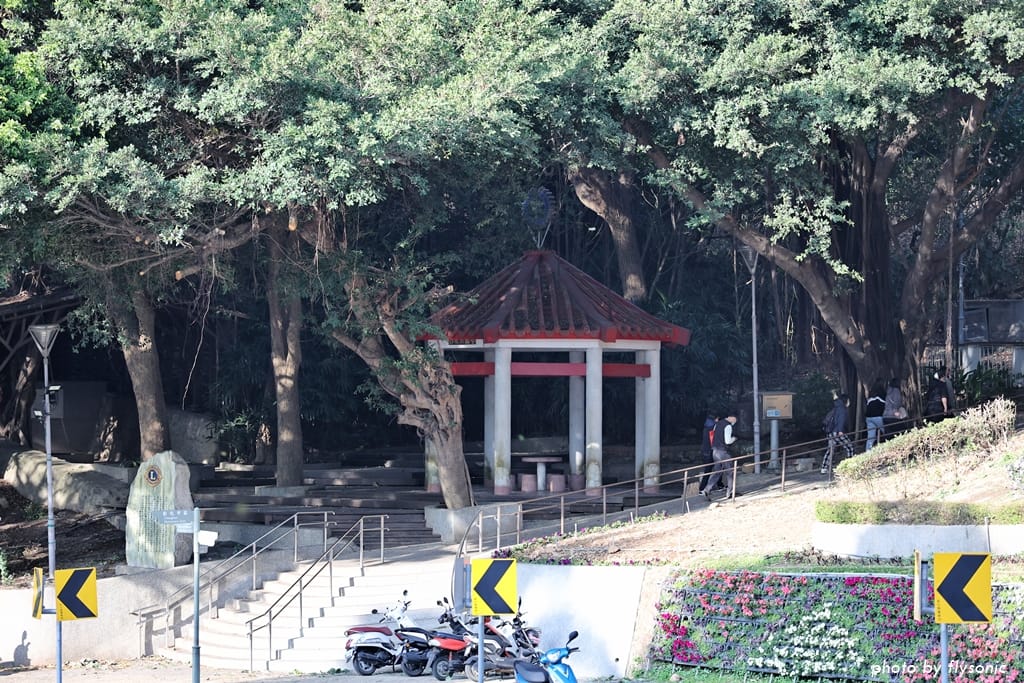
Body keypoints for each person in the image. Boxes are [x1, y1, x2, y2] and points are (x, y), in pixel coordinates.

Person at [701, 412, 737, 499]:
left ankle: (707, 489)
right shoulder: (728, 426)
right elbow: (727, 441)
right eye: (735, 420)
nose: (735, 422)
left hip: (715, 451)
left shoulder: (717, 424)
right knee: (730, 472)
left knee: (717, 472)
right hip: (723, 452)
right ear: (732, 417)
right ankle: (730, 492)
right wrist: (734, 439)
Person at [822, 393, 853, 474]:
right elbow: (841, 421)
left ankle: (824, 468)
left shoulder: (836, 407)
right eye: (849, 400)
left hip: (831, 432)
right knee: (849, 447)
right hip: (838, 432)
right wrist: (840, 431)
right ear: (846, 401)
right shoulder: (842, 409)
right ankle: (851, 465)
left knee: (830, 450)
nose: (849, 402)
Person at [697, 411, 718, 491]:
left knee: (710, 470)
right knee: (716, 469)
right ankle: (703, 488)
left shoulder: (706, 428)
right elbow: (712, 441)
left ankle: (703, 488)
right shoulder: (712, 429)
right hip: (710, 452)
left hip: (705, 451)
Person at [864, 380, 886, 450]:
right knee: (887, 432)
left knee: (871, 437)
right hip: (878, 416)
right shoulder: (882, 394)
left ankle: (868, 452)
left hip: (868, 418)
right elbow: (884, 405)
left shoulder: (871, 394)